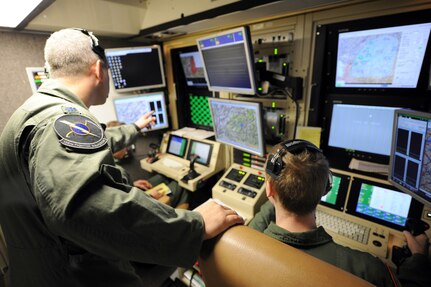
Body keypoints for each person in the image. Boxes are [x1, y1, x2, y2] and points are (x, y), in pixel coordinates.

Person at [0, 28, 243, 287]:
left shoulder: (35, 113)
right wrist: (194, 225)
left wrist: (135, 128)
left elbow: (89, 144)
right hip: (74, 276)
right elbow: (82, 209)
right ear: (98, 69)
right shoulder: (60, 118)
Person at [249, 139, 431, 287]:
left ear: (269, 189)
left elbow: (255, 225)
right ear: (326, 189)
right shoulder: (370, 269)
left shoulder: (245, 243)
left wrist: (279, 189)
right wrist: (418, 259)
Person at [106, 120, 189, 208]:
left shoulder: (108, 162)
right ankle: (177, 215)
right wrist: (151, 196)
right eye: (125, 145)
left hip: (133, 192)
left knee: (163, 177)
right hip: (141, 206)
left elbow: (121, 191)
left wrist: (133, 184)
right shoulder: (117, 170)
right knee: (181, 185)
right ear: (116, 144)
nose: (127, 148)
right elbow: (128, 204)